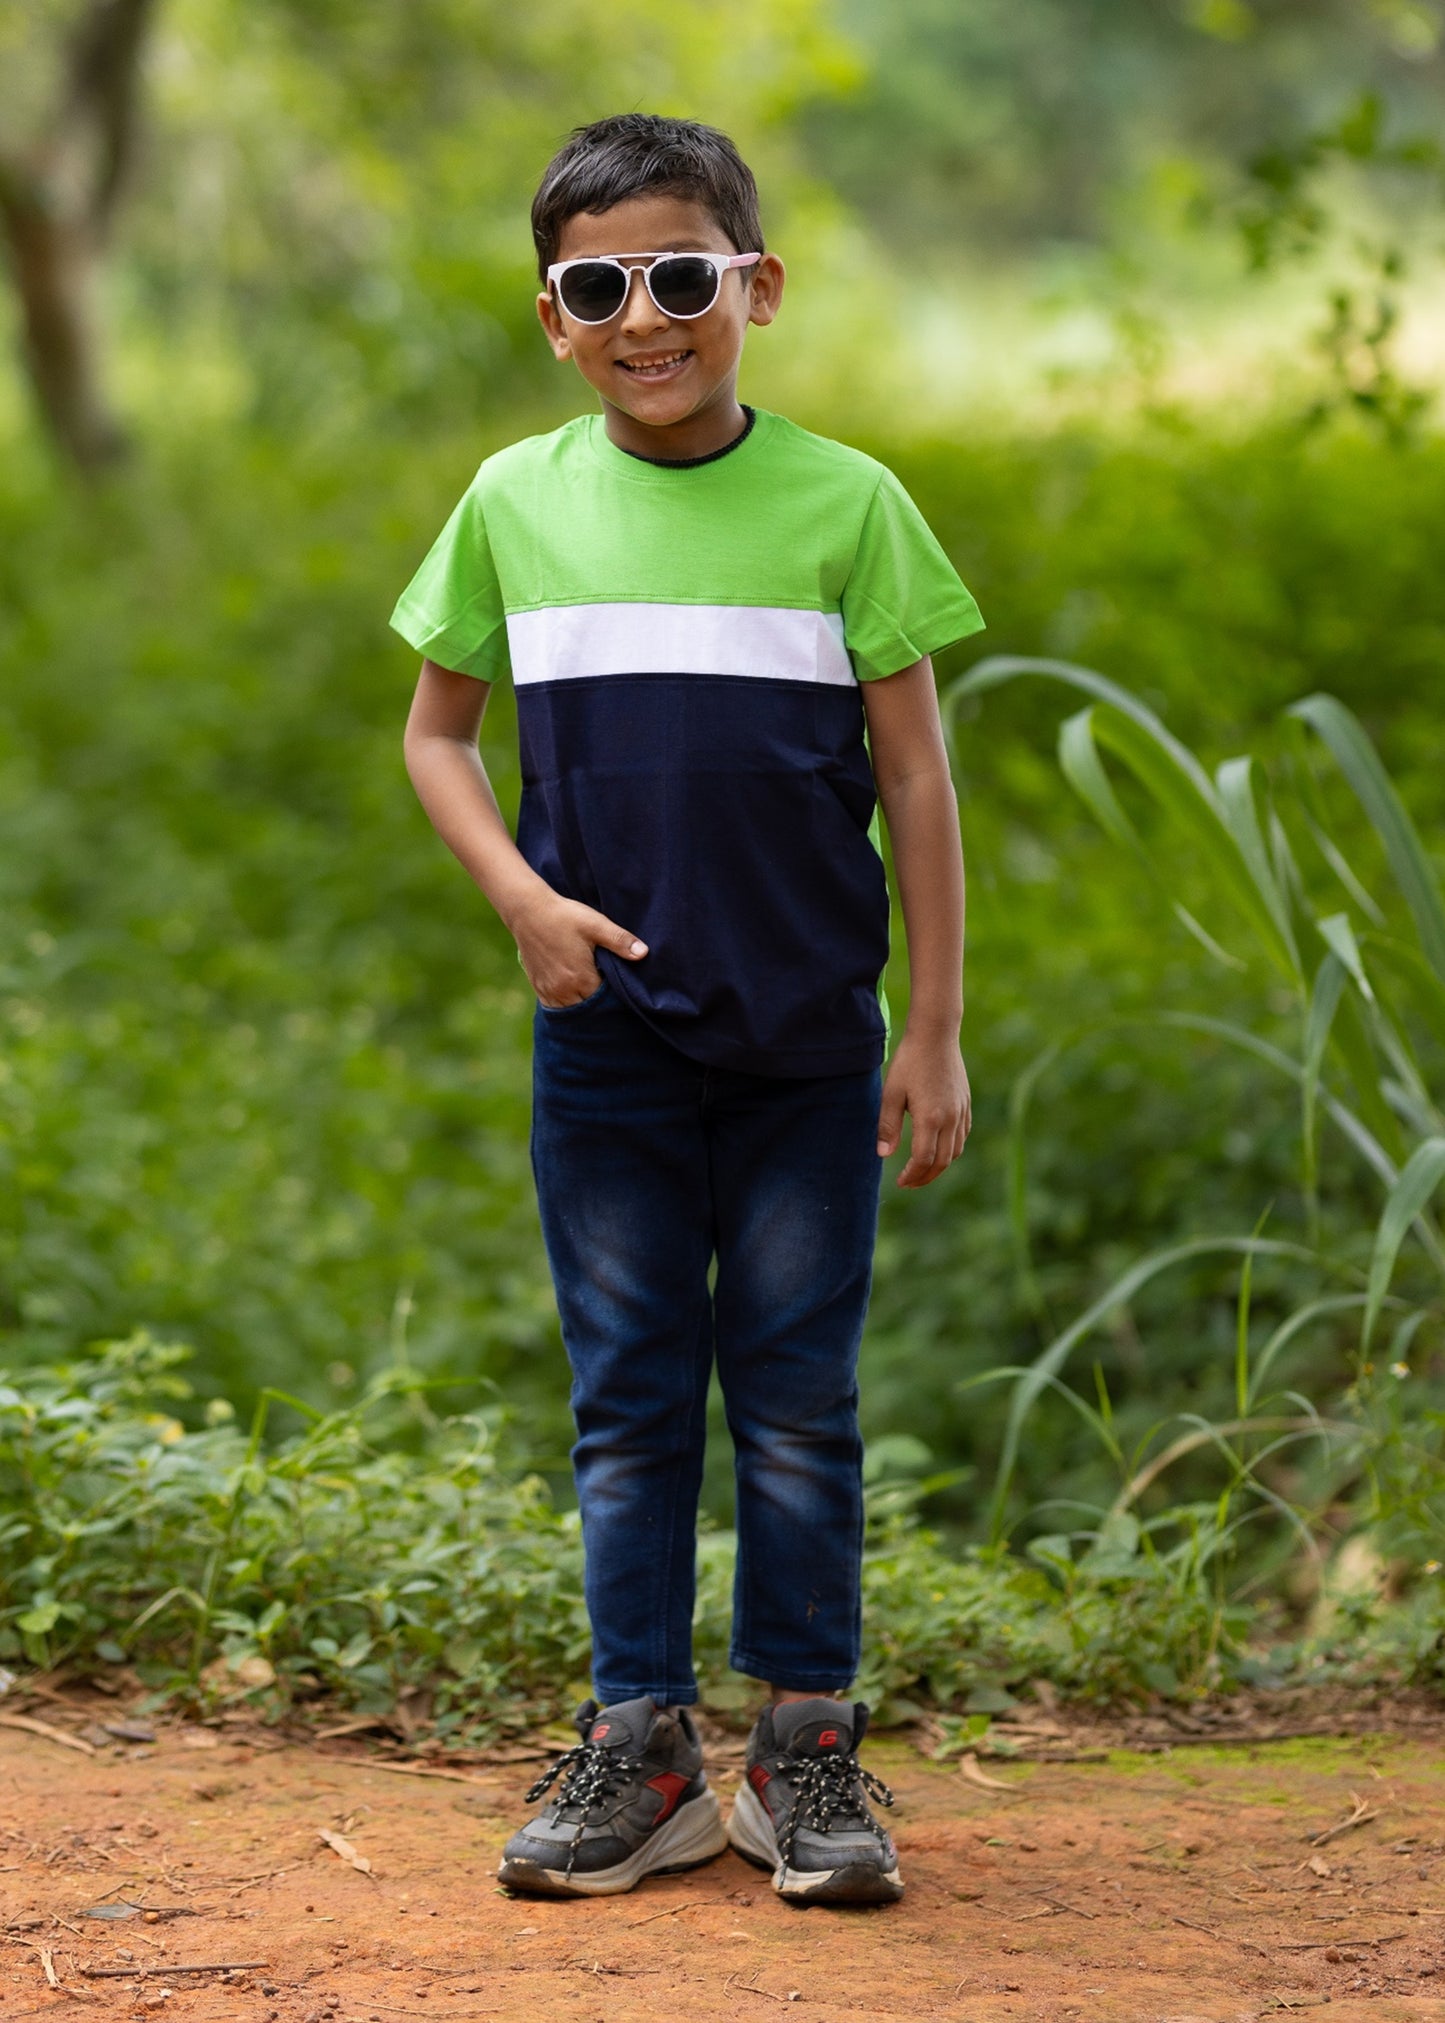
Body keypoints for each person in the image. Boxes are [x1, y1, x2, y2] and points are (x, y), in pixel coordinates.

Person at [393, 112, 983, 1907]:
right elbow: (436, 737)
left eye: (679, 276)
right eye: (599, 287)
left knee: (796, 1401)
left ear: (756, 286)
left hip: (810, 1039)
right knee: (629, 1398)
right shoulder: (514, 500)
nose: (644, 317)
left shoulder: (848, 501)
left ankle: (802, 1753)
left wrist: (934, 1024)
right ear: (554, 319)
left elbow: (918, 780)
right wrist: (520, 899)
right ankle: (638, 1747)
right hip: (610, 1045)